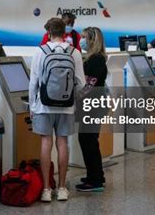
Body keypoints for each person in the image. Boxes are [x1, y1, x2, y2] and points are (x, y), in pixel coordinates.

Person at [29, 17, 85, 202]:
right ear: (64, 32)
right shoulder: (74, 52)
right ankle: (62, 188)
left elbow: (34, 82)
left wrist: (32, 105)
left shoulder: (40, 51)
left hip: (44, 105)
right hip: (66, 106)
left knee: (46, 143)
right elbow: (81, 83)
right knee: (63, 143)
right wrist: (72, 100)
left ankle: (46, 189)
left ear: (49, 32)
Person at [75, 27, 107, 192]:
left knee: (88, 141)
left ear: (92, 40)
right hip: (94, 105)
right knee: (90, 140)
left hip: (92, 106)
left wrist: (75, 97)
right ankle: (96, 175)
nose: (81, 40)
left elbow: (89, 85)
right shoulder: (95, 58)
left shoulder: (95, 59)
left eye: (84, 37)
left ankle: (94, 181)